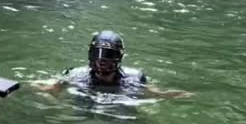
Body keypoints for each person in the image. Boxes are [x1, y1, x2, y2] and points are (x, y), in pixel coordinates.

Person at [38, 30, 191, 98]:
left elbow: (156, 94)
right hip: (85, 107)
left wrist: (171, 95)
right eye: (98, 54)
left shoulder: (135, 78)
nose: (101, 61)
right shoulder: (75, 75)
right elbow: (49, 89)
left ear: (118, 57)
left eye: (108, 55)